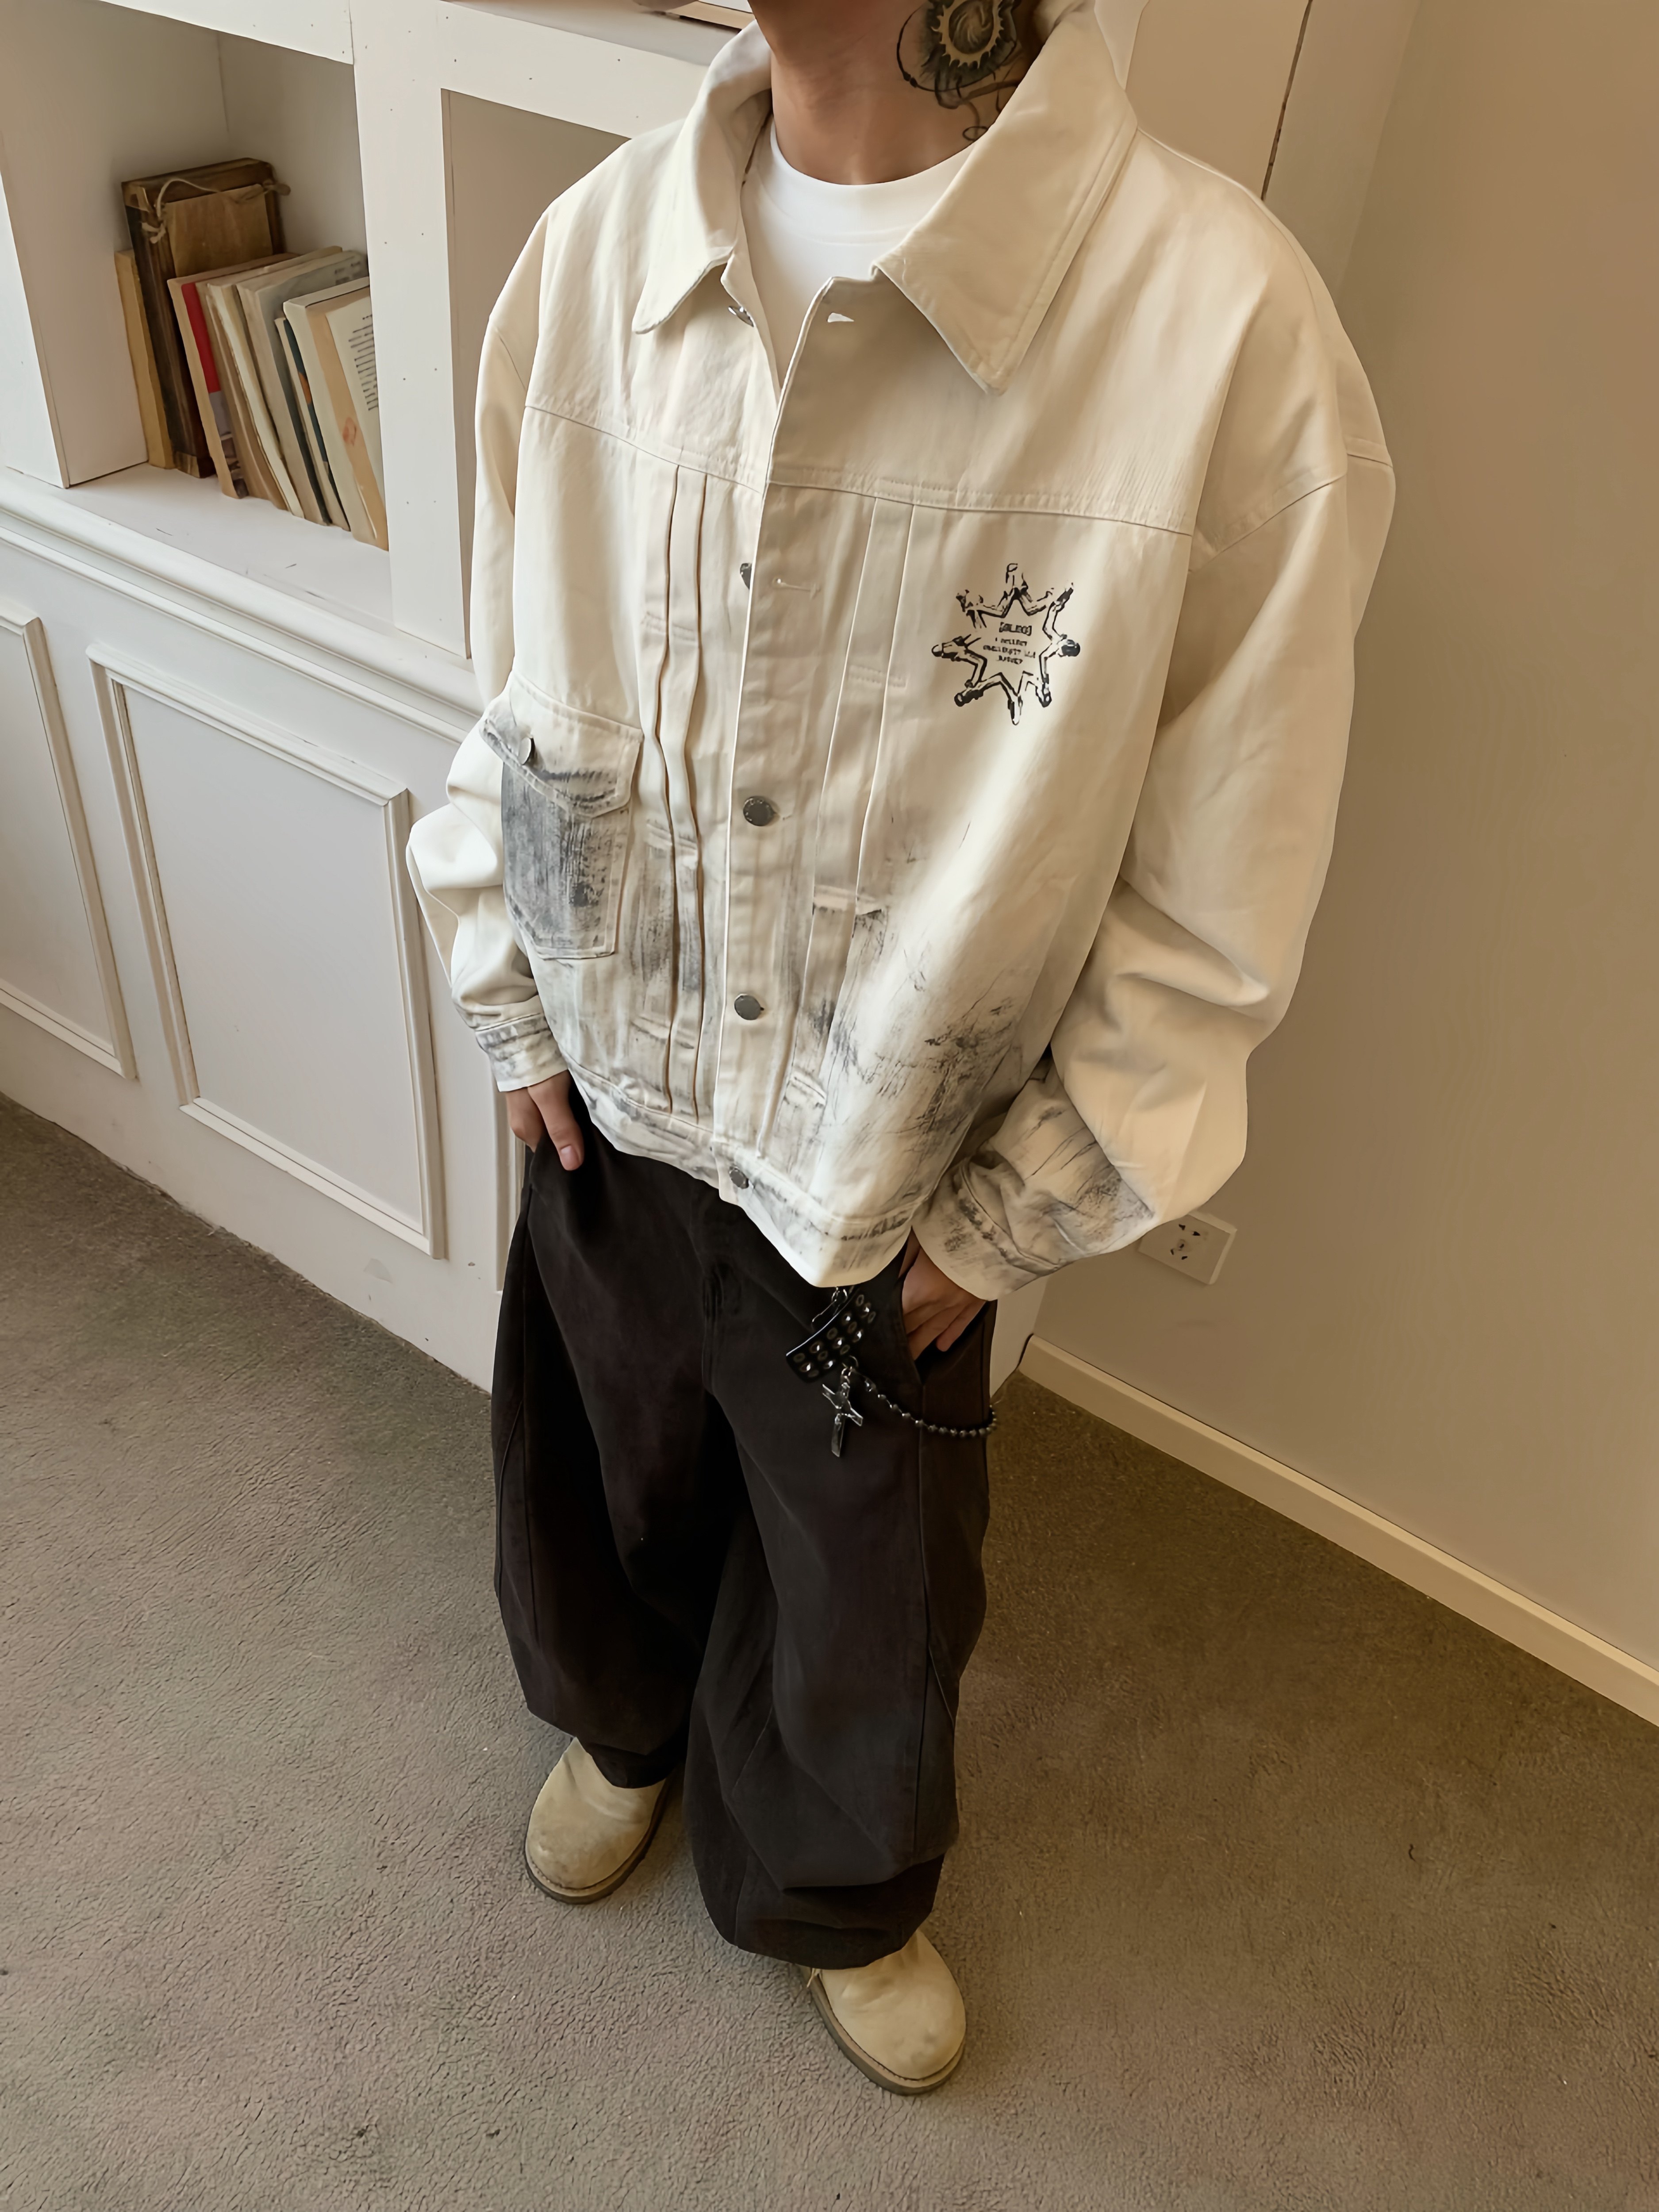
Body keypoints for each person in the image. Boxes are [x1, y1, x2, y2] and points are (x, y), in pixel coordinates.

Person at [407, 0, 1393, 2094]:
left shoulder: (1219, 335)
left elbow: (1217, 887)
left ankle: (832, 1880)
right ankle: (623, 1721)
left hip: (897, 1187)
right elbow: (510, 676)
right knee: (599, 1459)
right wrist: (506, 982)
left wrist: (1008, 1213)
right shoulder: (595, 249)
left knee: (863, 1573)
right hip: (608, 1105)